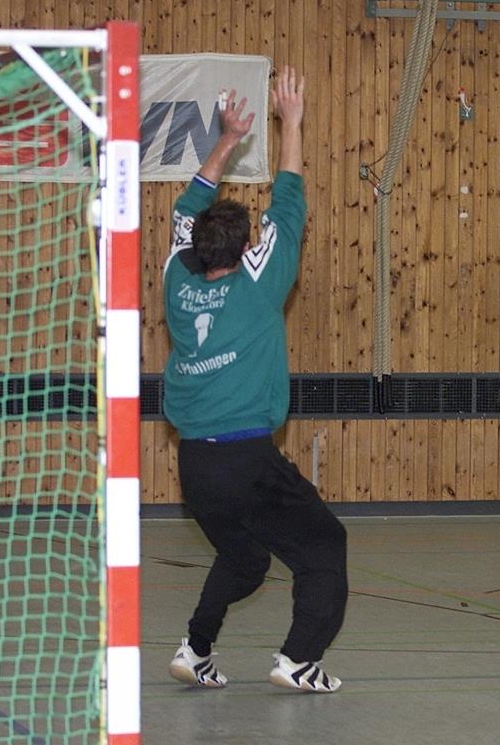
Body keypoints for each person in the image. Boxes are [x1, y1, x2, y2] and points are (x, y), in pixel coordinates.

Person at [163, 67, 347, 693]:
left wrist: (226, 141)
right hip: (247, 459)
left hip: (194, 466)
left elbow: (186, 208)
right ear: (243, 251)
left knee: (243, 559)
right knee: (324, 548)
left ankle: (195, 648)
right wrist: (289, 123)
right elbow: (289, 198)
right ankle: (299, 658)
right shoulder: (259, 283)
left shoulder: (177, 281)